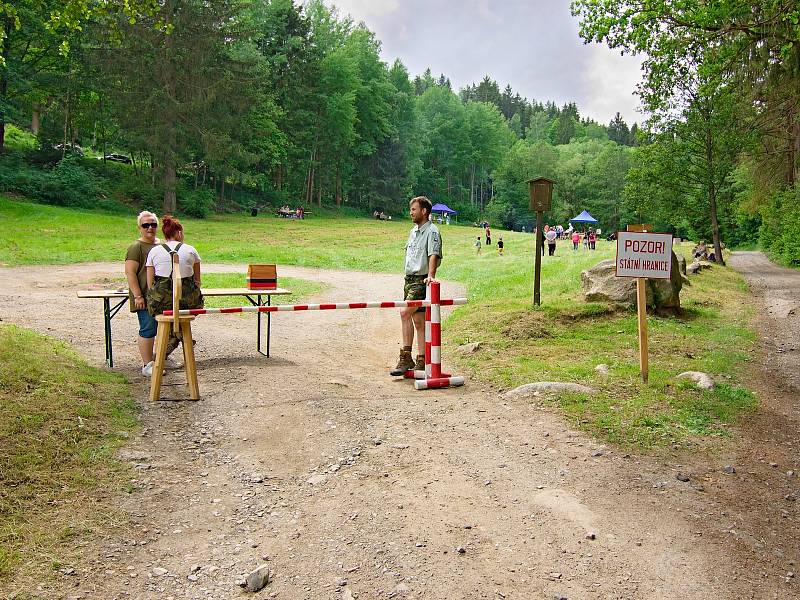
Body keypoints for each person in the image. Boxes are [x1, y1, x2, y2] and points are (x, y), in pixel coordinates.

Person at [390, 196, 442, 376]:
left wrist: (431, 276)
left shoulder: (432, 231)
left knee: (404, 312)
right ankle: (422, 359)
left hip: (421, 280)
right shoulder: (413, 231)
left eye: (413, 209)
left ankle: (406, 357)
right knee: (418, 321)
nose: (410, 213)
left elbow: (433, 254)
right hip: (409, 279)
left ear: (424, 211)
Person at [145, 215, 204, 368]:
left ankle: (164, 351)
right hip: (188, 303)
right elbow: (197, 281)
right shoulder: (191, 250)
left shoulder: (154, 251)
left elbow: (150, 282)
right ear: (178, 233)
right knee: (182, 315)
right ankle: (174, 340)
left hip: (160, 303)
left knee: (169, 314)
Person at [125, 211, 163, 376]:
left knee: (164, 329)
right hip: (145, 297)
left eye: (153, 224)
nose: (150, 228)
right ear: (139, 227)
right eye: (146, 225)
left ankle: (161, 358)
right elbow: (130, 273)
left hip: (161, 296)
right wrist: (138, 296)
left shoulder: (161, 245)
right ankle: (147, 365)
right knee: (148, 329)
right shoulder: (136, 247)